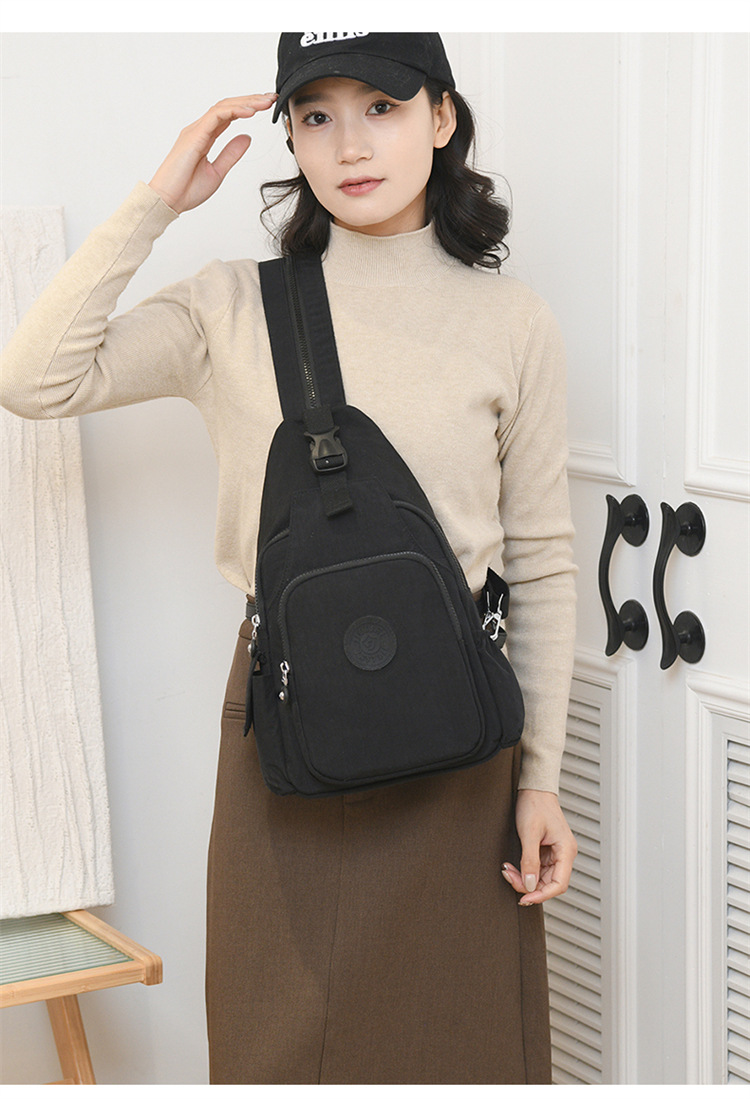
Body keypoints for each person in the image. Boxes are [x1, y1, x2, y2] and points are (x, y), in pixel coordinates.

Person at [1, 33, 578, 1085]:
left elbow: (539, 561)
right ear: (291, 138)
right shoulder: (228, 306)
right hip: (288, 714)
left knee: (462, 1043)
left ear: (441, 117)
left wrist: (540, 779)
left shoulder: (512, 320)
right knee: (277, 1039)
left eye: (382, 108)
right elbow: (34, 379)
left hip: (460, 728)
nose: (349, 144)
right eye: (315, 116)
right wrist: (160, 200)